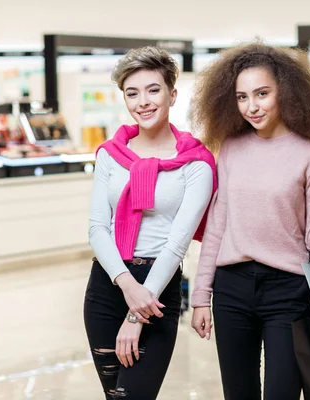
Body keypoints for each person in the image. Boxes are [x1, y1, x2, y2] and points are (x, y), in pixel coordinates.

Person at [189, 42, 310, 399]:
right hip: (231, 289)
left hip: (288, 290)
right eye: (242, 97)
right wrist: (201, 296)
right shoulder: (230, 148)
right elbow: (216, 227)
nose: (252, 106)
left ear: (286, 92)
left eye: (262, 94)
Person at [85, 46, 216, 399]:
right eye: (132, 93)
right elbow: (97, 228)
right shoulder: (111, 155)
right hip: (108, 284)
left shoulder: (196, 163)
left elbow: (178, 243)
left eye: (153, 90)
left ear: (172, 95)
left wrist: (135, 315)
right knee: (114, 395)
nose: (143, 101)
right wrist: (127, 286)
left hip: (157, 291)